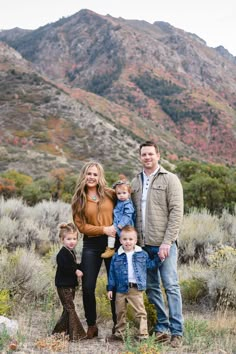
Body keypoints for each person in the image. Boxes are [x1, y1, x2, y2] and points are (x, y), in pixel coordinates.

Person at [131, 141, 184, 348]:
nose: (147, 157)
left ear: (158, 155)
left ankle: (177, 331)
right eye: (144, 154)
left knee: (171, 286)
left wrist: (167, 242)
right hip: (143, 246)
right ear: (140, 157)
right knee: (152, 287)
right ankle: (162, 327)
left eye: (151, 154)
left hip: (164, 245)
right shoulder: (135, 182)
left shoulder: (170, 179)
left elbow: (176, 213)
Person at [71, 161, 117, 339]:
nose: (91, 177)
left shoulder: (110, 194)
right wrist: (103, 229)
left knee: (115, 285)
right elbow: (81, 227)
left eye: (95, 174)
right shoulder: (78, 199)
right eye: (88, 174)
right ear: (83, 175)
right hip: (91, 244)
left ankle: (117, 325)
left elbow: (126, 203)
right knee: (88, 286)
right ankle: (91, 325)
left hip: (113, 243)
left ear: (100, 177)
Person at [107, 226, 162, 341]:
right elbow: (112, 273)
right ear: (120, 240)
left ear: (135, 241)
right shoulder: (117, 256)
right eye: (125, 239)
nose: (128, 242)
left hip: (135, 289)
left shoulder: (142, 254)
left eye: (131, 239)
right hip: (120, 289)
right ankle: (120, 333)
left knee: (140, 312)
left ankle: (143, 334)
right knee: (120, 312)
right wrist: (110, 288)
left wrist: (159, 258)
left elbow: (150, 266)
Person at [52, 222, 86, 341]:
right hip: (63, 286)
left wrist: (80, 266)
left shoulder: (71, 252)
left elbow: (72, 265)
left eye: (74, 238)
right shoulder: (62, 254)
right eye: (68, 239)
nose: (72, 241)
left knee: (67, 309)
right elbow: (66, 267)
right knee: (70, 308)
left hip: (69, 285)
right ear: (62, 240)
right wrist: (76, 271)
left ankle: (59, 332)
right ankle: (77, 334)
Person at [101, 180, 135, 258]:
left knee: (121, 236)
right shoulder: (119, 202)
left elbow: (128, 215)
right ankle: (111, 248)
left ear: (129, 193)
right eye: (119, 193)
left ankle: (111, 248)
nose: (121, 195)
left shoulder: (128, 203)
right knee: (115, 235)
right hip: (118, 223)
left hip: (125, 225)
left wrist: (121, 224)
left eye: (124, 193)